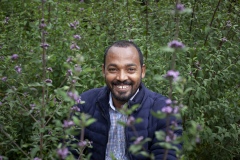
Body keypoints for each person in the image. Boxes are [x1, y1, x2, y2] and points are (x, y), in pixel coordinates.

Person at [71, 40, 182, 160]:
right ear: (104, 71)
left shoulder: (164, 110)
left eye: (130, 69)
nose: (121, 77)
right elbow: (69, 152)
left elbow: (166, 155)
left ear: (142, 71)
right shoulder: (84, 103)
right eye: (113, 69)